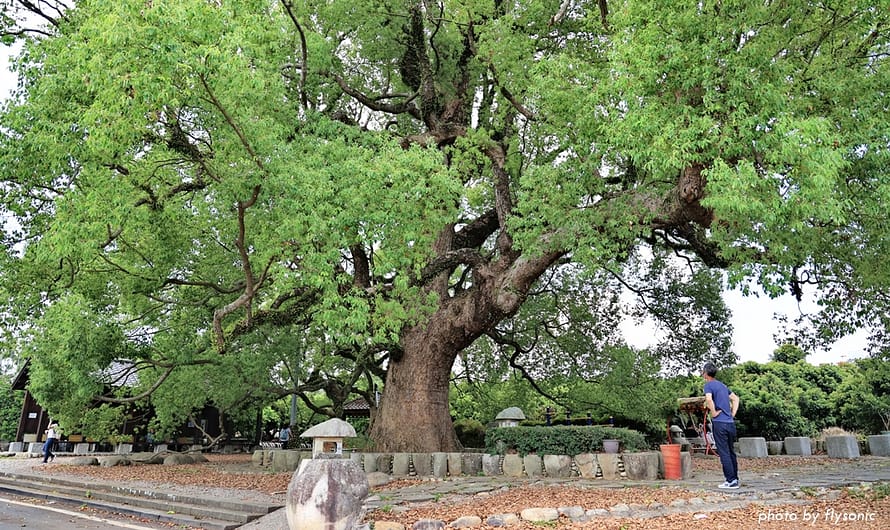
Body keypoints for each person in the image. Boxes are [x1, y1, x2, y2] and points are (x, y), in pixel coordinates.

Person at [702, 362, 740, 489]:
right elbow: (735, 399)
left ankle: (730, 481)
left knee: (723, 452)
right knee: (731, 452)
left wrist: (713, 412)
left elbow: (708, 399)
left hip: (720, 423)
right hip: (730, 423)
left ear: (706, 373)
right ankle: (735, 478)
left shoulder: (708, 385)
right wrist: (732, 413)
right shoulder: (723, 386)